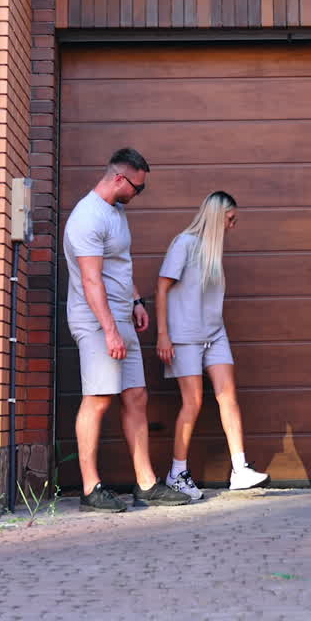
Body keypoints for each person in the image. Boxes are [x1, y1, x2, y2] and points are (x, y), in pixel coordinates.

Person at [63, 147, 192, 512]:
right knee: (99, 398)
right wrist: (110, 331)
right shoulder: (87, 217)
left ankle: (147, 484)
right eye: (138, 187)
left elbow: (119, 266)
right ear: (120, 178)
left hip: (120, 316)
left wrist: (135, 301)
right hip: (95, 320)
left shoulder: (116, 212)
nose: (139, 194)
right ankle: (91, 488)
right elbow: (91, 281)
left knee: (136, 396)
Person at [156, 190, 269, 496]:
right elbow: (162, 288)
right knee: (193, 402)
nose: (233, 225)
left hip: (215, 333)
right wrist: (163, 334)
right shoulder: (185, 244)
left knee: (228, 395)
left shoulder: (213, 251)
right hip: (184, 336)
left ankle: (240, 469)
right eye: (230, 219)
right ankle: (177, 474)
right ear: (217, 216)